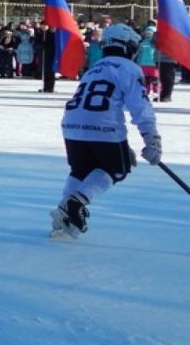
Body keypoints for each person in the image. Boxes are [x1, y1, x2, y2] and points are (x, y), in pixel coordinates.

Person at [51, 23, 161, 239]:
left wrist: (122, 145)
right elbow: (140, 106)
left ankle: (63, 212)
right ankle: (76, 203)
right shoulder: (130, 68)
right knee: (118, 168)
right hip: (103, 126)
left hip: (72, 125)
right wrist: (151, 138)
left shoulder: (94, 67)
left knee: (81, 169)